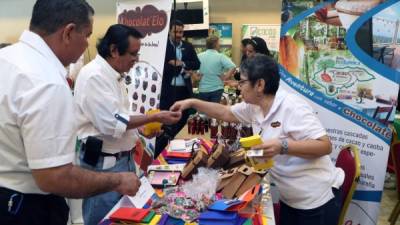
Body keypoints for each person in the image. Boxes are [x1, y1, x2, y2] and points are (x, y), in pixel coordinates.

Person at [0, 1, 142, 224]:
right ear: (68, 32)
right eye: (86, 35)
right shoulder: (46, 81)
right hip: (28, 207)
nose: (87, 44)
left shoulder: (7, 58)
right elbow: (54, 177)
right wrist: (117, 181)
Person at [171, 54, 344, 225]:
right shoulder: (255, 107)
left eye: (243, 82)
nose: (239, 87)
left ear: (259, 84)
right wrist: (193, 102)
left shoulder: (292, 107)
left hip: (315, 199)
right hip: (290, 197)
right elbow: (226, 112)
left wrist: (282, 146)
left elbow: (325, 145)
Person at [73, 24, 181, 225]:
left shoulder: (114, 74)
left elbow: (120, 115)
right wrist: (153, 118)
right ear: (114, 50)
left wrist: (140, 129)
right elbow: (113, 123)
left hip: (123, 160)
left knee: (125, 217)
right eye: (133, 54)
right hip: (103, 166)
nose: (136, 59)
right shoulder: (95, 76)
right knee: (104, 218)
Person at [156, 19, 200, 156]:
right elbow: (162, 66)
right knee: (166, 123)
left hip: (184, 92)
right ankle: (163, 153)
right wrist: (182, 70)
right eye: (176, 31)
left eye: (181, 32)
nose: (179, 34)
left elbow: (196, 64)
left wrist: (181, 64)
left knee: (181, 122)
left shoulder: (188, 46)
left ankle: (180, 152)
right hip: (167, 91)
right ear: (169, 31)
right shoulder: (162, 46)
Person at [197, 35, 236, 103]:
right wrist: (225, 77)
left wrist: (196, 77)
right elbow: (233, 66)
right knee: (214, 111)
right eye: (219, 43)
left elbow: (191, 69)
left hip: (203, 89)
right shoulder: (220, 56)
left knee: (203, 112)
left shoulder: (199, 56)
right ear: (215, 44)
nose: (219, 45)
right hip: (217, 88)